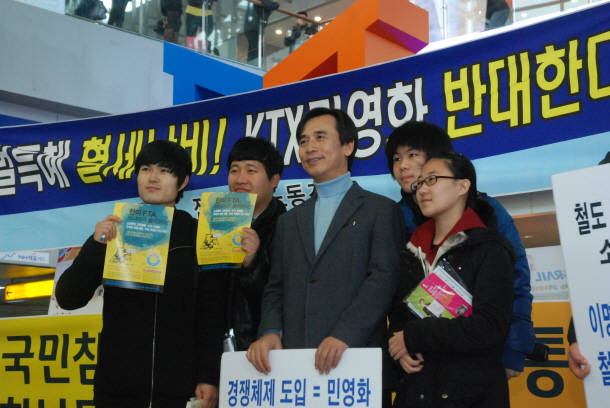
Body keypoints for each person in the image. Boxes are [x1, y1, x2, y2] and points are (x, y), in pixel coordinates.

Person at [55, 140, 218, 408]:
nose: (153, 177)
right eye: (145, 169)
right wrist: (96, 244)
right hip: (117, 389)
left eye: (164, 171)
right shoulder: (115, 232)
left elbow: (211, 312)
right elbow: (68, 298)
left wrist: (209, 376)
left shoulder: (198, 235)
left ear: (183, 182)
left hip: (181, 388)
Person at [247, 108, 404, 378]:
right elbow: (276, 286)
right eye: (303, 141)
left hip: (356, 359)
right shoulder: (289, 221)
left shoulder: (380, 210)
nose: (310, 147)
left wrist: (346, 333)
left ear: (348, 146)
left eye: (320, 137)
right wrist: (271, 331)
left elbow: (383, 279)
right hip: (296, 363)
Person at [384, 120, 535, 378]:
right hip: (420, 357)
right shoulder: (393, 218)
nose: (403, 166)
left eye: (412, 155)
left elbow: (516, 280)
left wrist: (514, 348)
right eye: (396, 159)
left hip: (477, 354)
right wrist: (400, 343)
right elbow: (393, 295)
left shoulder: (486, 211)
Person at [389, 151, 515, 407]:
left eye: (432, 179)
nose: (422, 189)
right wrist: (400, 347)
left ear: (462, 186)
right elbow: (400, 315)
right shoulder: (412, 250)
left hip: (470, 392)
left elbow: (489, 326)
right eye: (419, 183)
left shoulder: (489, 248)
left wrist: (414, 335)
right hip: (416, 390)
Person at [198, 137, 286, 386]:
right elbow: (206, 304)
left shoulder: (288, 227)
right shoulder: (213, 225)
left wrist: (253, 264)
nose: (240, 179)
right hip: (221, 360)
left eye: (251, 170)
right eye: (234, 170)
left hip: (267, 360)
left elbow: (285, 301)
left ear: (274, 180)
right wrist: (206, 374)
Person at [243, 0, 279, 65]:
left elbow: (272, 5)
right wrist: (272, 4)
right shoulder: (258, 3)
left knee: (254, 48)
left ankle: (252, 64)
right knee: (256, 49)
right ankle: (254, 64)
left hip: (255, 28)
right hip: (253, 28)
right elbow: (272, 5)